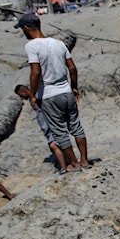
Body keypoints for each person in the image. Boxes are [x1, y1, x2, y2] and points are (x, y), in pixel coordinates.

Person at [17, 11, 90, 173]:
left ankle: (74, 164)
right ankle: (84, 160)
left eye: (22, 29)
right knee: (76, 126)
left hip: (49, 94)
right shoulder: (58, 43)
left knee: (59, 131)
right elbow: (72, 67)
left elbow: (35, 72)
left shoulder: (31, 46)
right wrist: (74, 87)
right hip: (66, 90)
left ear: (27, 28)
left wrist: (33, 95)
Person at [13, 84, 67, 171]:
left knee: (54, 145)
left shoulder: (38, 97)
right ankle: (65, 164)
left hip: (51, 126)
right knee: (55, 146)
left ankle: (64, 167)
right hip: (47, 127)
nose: (22, 98)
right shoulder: (34, 99)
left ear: (24, 91)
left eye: (21, 95)